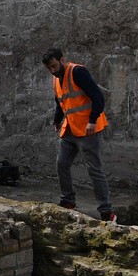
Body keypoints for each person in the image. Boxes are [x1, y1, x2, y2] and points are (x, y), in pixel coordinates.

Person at [42, 47, 116, 222]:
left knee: (94, 169)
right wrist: (56, 120)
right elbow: (60, 102)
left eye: (54, 66)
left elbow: (97, 97)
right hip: (69, 129)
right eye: (49, 68)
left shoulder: (78, 72)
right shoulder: (55, 79)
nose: (53, 70)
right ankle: (68, 201)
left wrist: (92, 120)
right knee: (62, 164)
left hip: (88, 129)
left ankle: (106, 211)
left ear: (62, 60)